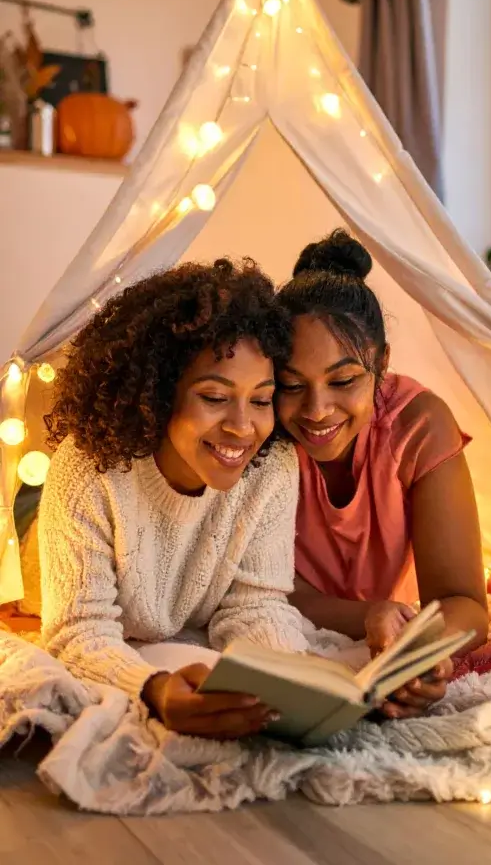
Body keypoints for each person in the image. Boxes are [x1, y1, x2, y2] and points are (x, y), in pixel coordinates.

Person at [39, 259, 308, 741]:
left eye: (261, 399)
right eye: (214, 396)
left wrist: (291, 685)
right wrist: (153, 690)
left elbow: (255, 605)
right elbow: (78, 632)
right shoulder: (87, 469)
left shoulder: (272, 467)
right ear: (160, 394)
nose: (243, 427)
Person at [275, 230, 488, 719]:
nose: (317, 409)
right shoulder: (262, 429)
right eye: (291, 384)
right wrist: (369, 616)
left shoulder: (418, 425)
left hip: (390, 624)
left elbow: (466, 605)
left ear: (383, 363)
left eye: (344, 381)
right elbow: (263, 590)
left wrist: (420, 654)